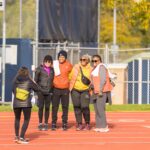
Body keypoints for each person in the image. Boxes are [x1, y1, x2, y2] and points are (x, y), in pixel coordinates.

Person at [12, 66, 39, 144]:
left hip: (16, 102)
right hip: (26, 103)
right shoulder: (29, 80)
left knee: (17, 119)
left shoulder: (15, 79)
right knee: (26, 120)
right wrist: (33, 81)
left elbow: (13, 90)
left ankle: (17, 136)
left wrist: (19, 96)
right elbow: (37, 89)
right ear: (27, 72)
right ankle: (22, 137)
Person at [90, 55, 113, 132]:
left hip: (101, 92)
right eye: (93, 61)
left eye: (96, 61)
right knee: (96, 110)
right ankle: (99, 125)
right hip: (95, 92)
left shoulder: (101, 67)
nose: (94, 62)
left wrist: (100, 91)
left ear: (100, 61)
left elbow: (103, 80)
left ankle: (104, 126)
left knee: (100, 109)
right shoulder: (94, 69)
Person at [69, 54, 92, 131]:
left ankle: (87, 123)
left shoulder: (91, 69)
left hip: (85, 90)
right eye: (81, 59)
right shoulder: (76, 67)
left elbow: (93, 79)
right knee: (77, 106)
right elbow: (70, 76)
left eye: (84, 59)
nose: (82, 61)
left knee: (85, 106)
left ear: (88, 61)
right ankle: (79, 124)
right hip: (75, 89)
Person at [52, 50, 72, 131]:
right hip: (55, 88)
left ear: (65, 57)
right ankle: (53, 123)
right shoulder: (55, 64)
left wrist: (69, 86)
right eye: (60, 56)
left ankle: (64, 123)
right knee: (54, 107)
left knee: (65, 107)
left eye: (63, 57)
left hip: (65, 89)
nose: (61, 58)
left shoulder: (69, 65)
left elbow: (72, 76)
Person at [34, 55, 54, 131]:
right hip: (41, 91)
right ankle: (40, 123)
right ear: (44, 61)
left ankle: (45, 123)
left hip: (49, 91)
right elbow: (35, 80)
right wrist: (38, 89)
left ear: (51, 62)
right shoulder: (39, 69)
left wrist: (51, 90)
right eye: (46, 61)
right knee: (41, 107)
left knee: (47, 108)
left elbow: (53, 80)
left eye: (49, 61)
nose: (47, 63)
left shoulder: (52, 70)